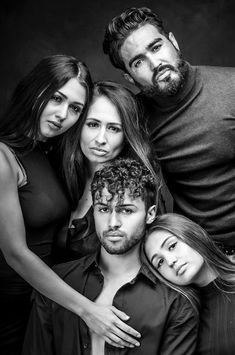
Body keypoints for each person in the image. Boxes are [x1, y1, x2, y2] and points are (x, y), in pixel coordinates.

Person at [0, 56, 138, 354]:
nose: (63, 115)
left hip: (43, 301)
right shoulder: (3, 156)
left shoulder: (49, 152)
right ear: (34, 91)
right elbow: (15, 254)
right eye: (56, 99)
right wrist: (87, 309)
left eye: (75, 108)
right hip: (8, 301)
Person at [22, 158, 199, 355]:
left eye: (126, 210)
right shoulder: (57, 283)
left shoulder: (176, 302)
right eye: (104, 209)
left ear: (150, 214)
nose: (113, 222)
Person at [102, 6, 235, 258]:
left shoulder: (231, 87)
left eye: (156, 47)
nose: (155, 63)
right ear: (129, 77)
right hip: (196, 252)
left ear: (173, 42)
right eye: (138, 62)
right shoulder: (135, 119)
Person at [54, 80, 162, 262]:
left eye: (113, 128)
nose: (100, 139)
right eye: (93, 124)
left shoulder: (138, 188)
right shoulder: (57, 170)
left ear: (127, 135)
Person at [144, 213, 235, 354]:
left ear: (193, 234)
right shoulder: (183, 318)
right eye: (160, 262)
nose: (170, 261)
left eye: (172, 246)